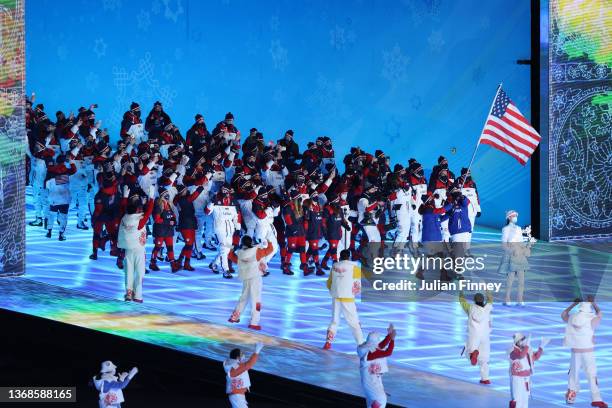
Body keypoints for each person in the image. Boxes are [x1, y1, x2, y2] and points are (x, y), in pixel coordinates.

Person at [562, 297, 607, 407]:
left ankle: (571, 395)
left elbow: (563, 314)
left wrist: (573, 304)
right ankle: (596, 398)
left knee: (573, 373)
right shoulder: (592, 319)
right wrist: (594, 303)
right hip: (588, 351)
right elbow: (600, 314)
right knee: (591, 374)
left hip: (575, 351)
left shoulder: (572, 317)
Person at [117, 185, 155, 302]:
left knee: (128, 271)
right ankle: (137, 296)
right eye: (139, 208)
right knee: (140, 272)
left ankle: (128, 293)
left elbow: (122, 208)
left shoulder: (124, 217)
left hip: (128, 249)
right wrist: (152, 198)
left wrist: (124, 197)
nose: (141, 209)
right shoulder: (140, 221)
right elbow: (149, 211)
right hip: (139, 250)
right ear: (137, 210)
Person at [227, 236, 274, 330]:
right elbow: (270, 249)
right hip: (255, 278)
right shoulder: (256, 251)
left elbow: (232, 257)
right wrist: (269, 241)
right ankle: (254, 322)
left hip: (246, 279)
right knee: (256, 300)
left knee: (243, 299)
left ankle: (234, 317)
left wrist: (231, 249)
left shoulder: (240, 253)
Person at [324, 249, 363, 349]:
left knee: (334, 320)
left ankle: (328, 342)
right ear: (349, 257)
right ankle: (361, 344)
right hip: (348, 297)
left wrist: (335, 291)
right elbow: (358, 285)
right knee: (353, 322)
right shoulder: (355, 267)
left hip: (336, 297)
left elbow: (329, 283)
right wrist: (352, 293)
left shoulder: (334, 267)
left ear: (340, 256)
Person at [499, 210, 533, 306]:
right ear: (509, 217)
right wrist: (512, 251)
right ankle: (507, 298)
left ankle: (520, 298)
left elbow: (521, 242)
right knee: (510, 279)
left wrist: (528, 245)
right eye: (513, 216)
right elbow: (504, 245)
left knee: (521, 280)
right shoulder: (505, 229)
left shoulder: (518, 228)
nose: (515, 217)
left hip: (520, 255)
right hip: (512, 255)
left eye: (516, 216)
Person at [357, 324, 396, 408]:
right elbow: (388, 352)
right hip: (371, 383)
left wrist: (389, 335)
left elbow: (380, 346)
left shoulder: (368, 349)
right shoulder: (371, 353)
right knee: (381, 399)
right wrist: (392, 339)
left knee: (378, 400)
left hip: (371, 381)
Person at [459, 289, 493, 384]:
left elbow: (462, 301)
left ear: (474, 300)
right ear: (483, 300)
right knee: (484, 359)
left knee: (468, 351)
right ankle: (485, 378)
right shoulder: (488, 307)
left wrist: (461, 291)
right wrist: (487, 290)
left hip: (474, 334)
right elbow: (490, 299)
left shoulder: (470, 308)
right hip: (485, 335)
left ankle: (472, 354)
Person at [508, 333, 549, 408]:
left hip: (526, 379)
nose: (524, 341)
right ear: (517, 342)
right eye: (522, 340)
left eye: (524, 339)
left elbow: (535, 357)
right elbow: (521, 356)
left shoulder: (527, 350)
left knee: (525, 400)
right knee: (517, 400)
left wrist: (541, 347)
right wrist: (527, 345)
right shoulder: (513, 351)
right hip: (517, 379)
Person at [223, 342, 264, 408]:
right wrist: (257, 351)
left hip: (238, 396)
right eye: (242, 354)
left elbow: (245, 365)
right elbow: (248, 364)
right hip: (237, 396)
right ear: (238, 357)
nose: (244, 355)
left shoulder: (234, 365)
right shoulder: (234, 367)